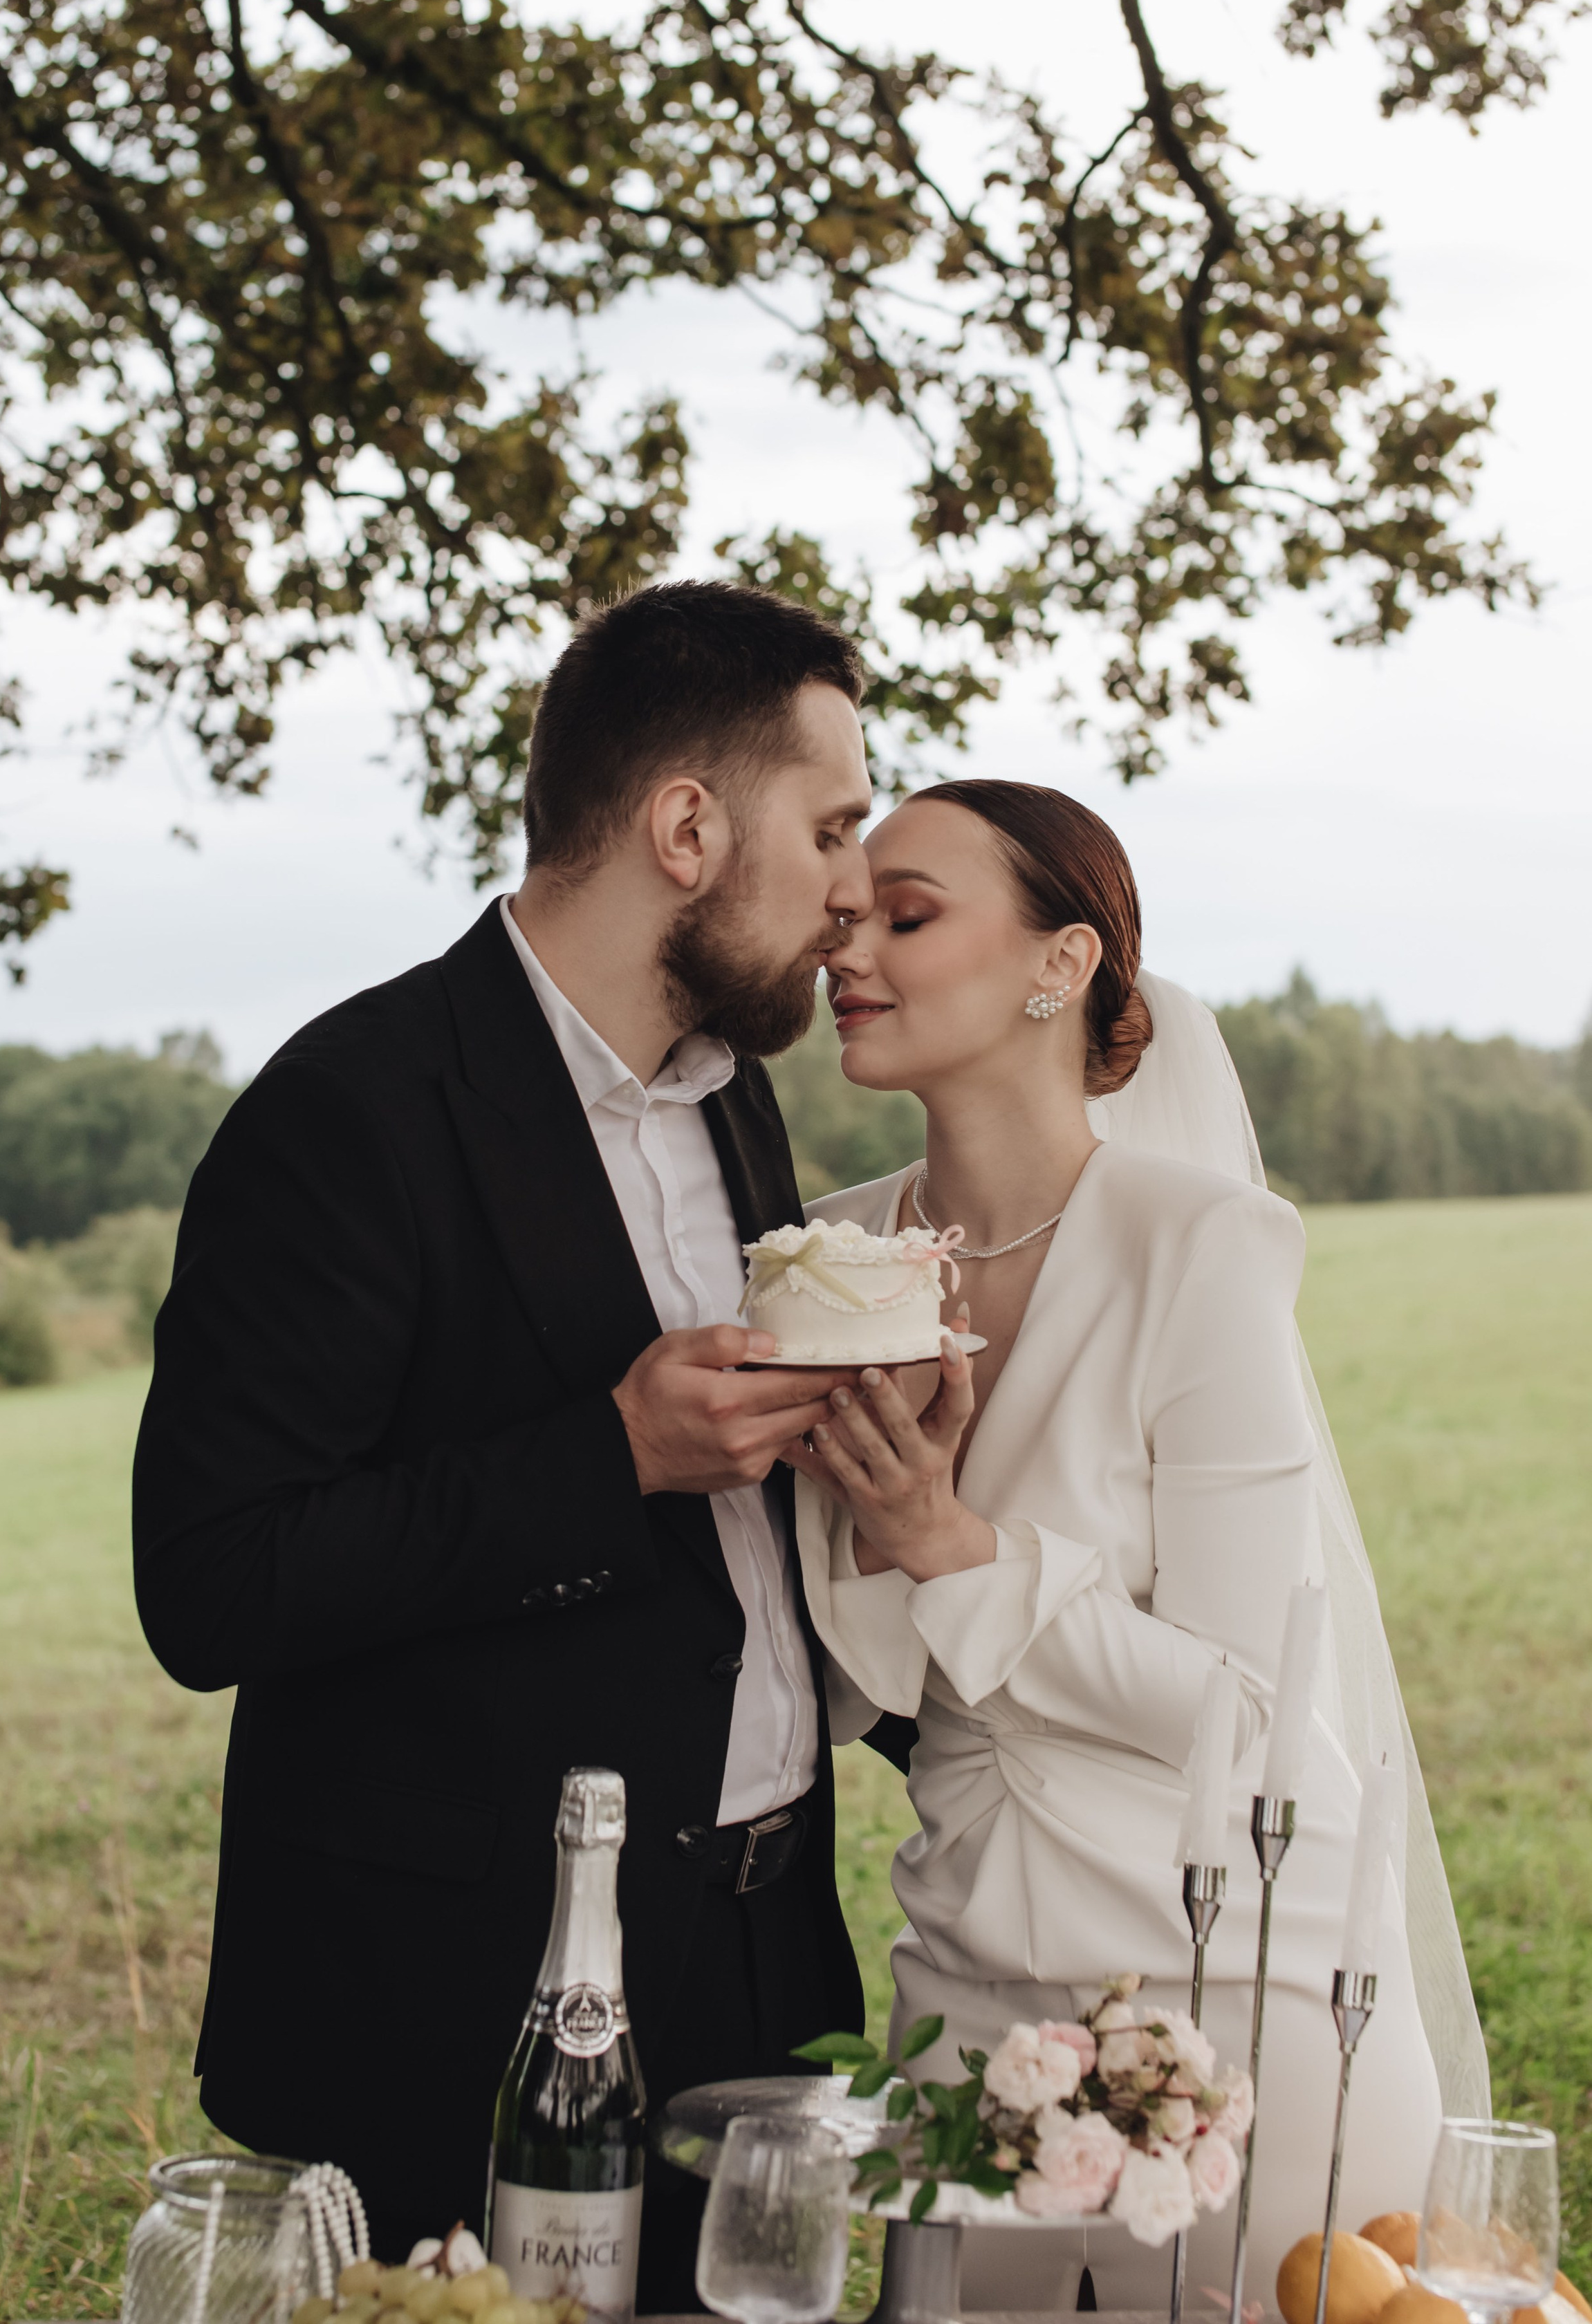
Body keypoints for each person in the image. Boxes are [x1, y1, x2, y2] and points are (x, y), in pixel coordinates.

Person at [131, 582, 910, 2312]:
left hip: (754, 1958)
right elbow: (210, 1581)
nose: (852, 885)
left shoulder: (735, 1093)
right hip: (454, 1995)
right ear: (686, 829)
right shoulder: (349, 1109)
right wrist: (608, 1455)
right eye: (830, 826)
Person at [781, 779, 1486, 2313]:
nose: (848, 951)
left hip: (1232, 1977)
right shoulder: (825, 1260)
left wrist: (946, 1541)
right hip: (962, 1983)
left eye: (907, 916)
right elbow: (844, 1683)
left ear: (1063, 961)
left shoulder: (1201, 1247)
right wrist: (877, 1535)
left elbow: (1244, 1701)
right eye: (846, 917)